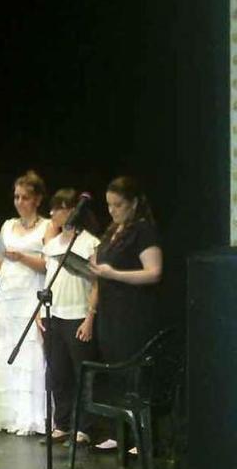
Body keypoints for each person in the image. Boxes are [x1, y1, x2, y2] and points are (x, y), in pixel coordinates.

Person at [89, 176, 162, 452]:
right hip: (111, 312)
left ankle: (142, 437)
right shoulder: (113, 231)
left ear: (133, 204)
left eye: (118, 205)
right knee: (114, 371)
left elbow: (154, 272)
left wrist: (114, 274)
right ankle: (120, 432)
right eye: (108, 205)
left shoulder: (143, 231)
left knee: (134, 375)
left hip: (133, 313)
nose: (112, 210)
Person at [0, 170, 50, 436]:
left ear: (37, 200)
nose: (20, 201)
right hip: (8, 295)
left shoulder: (46, 227)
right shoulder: (8, 226)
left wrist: (21, 257)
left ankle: (31, 417)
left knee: (31, 353)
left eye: (25, 197)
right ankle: (8, 415)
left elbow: (50, 264)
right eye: (16, 197)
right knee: (6, 352)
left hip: (31, 294)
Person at [38, 188, 100, 445]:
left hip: (77, 315)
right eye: (53, 208)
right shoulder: (52, 244)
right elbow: (48, 279)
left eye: (61, 208)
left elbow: (97, 283)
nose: (54, 213)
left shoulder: (89, 242)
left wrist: (90, 317)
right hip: (54, 315)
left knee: (80, 373)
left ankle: (84, 427)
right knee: (57, 373)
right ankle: (61, 424)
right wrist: (41, 311)